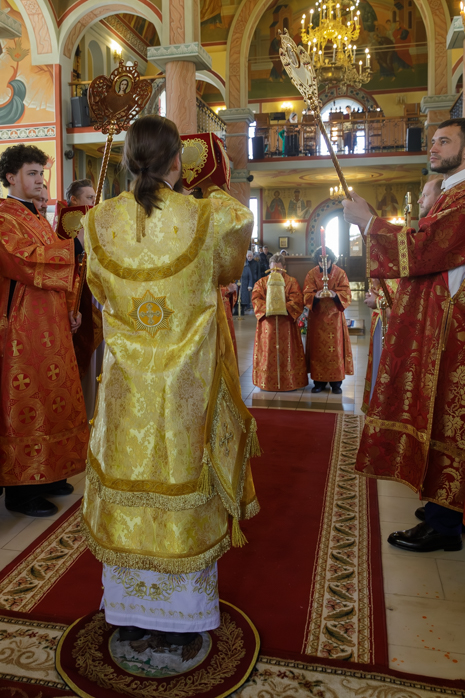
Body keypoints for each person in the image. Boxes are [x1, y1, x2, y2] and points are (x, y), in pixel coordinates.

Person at [81, 115, 259, 647]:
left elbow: (98, 291)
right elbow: (232, 262)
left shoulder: (97, 221)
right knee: (183, 480)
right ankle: (183, 621)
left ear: (127, 159)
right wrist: (208, 186)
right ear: (178, 162)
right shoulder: (207, 217)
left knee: (128, 480)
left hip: (126, 389)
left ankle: (129, 609)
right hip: (186, 390)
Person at [342, 118, 465, 553]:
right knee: (439, 415)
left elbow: (424, 247)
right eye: (432, 141)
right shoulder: (451, 193)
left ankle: (445, 524)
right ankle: (443, 509)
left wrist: (369, 223)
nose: (433, 147)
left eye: (444, 141)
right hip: (443, 323)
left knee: (448, 418)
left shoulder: (462, 198)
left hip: (454, 331)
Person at [0, 144, 88, 517]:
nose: (40, 180)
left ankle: (49, 473)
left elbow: (59, 272)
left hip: (51, 323)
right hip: (23, 329)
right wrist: (73, 247)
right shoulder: (4, 217)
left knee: (54, 400)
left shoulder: (36, 216)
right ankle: (22, 491)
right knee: (29, 403)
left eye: (41, 173)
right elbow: (22, 260)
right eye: (32, 173)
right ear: (11, 177)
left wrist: (70, 309)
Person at [252, 254, 308, 392]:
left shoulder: (291, 282)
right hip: (268, 325)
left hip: (286, 325)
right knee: (268, 352)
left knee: (288, 353)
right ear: (269, 268)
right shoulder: (261, 282)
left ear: (284, 267)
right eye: (272, 270)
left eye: (278, 270)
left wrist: (281, 307)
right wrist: (270, 307)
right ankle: (266, 382)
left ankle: (290, 381)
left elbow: (297, 300)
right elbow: (256, 299)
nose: (275, 273)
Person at [303, 247, 354, 394]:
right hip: (317, 318)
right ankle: (318, 382)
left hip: (335, 318)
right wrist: (315, 296)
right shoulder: (312, 273)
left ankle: (336, 383)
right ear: (317, 260)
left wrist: (335, 295)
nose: (323, 264)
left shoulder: (340, 273)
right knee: (318, 350)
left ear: (331, 259)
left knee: (335, 351)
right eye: (320, 261)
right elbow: (306, 293)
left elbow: (346, 292)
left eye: (326, 260)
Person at [361, 278, 398, 413]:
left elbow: (399, 308)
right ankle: (376, 408)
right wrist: (375, 293)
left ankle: (382, 410)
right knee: (378, 368)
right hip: (379, 323)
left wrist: (377, 301)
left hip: (392, 330)